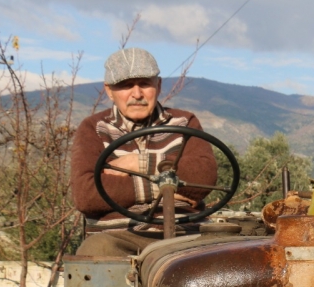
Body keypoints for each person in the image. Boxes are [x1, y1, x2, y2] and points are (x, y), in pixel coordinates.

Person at [71, 47, 217, 256]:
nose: (136, 94)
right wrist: (167, 186)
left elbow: (204, 176)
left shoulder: (185, 122)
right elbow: (86, 195)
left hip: (186, 231)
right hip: (119, 235)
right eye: (126, 85)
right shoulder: (93, 129)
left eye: (145, 84)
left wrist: (137, 164)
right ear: (109, 91)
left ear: (157, 86)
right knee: (97, 251)